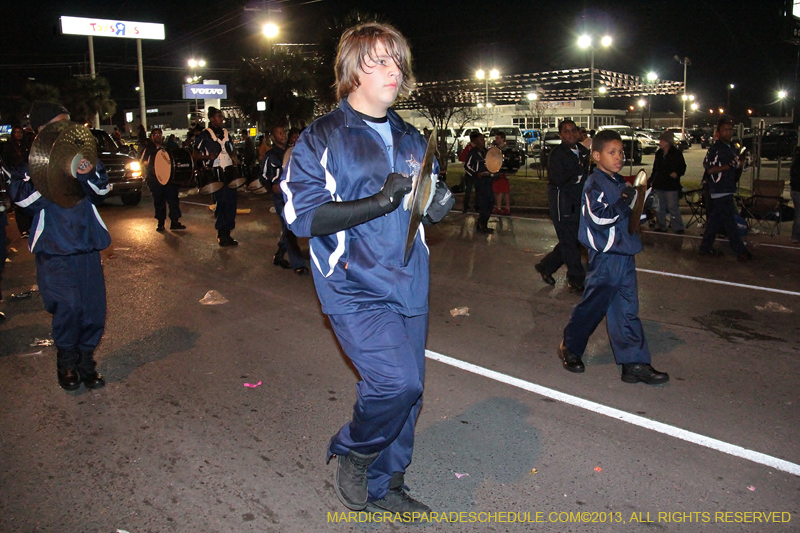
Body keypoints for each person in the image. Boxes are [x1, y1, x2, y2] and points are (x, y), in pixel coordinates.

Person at [282, 22, 453, 518]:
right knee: (395, 383)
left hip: (409, 282)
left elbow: (426, 204)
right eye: (378, 60)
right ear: (351, 70)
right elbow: (302, 217)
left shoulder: (412, 137)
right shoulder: (322, 137)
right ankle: (355, 451)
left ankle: (388, 481)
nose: (392, 70)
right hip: (353, 285)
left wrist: (437, 202)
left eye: (396, 60)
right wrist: (379, 201)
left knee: (411, 393)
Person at [7, 101, 111, 391]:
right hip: (54, 250)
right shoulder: (26, 167)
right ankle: (66, 359)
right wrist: (48, 173)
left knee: (93, 310)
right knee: (68, 305)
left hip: (87, 246)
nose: (65, 131)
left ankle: (85, 360)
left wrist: (87, 173)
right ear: (40, 131)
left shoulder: (83, 157)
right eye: (57, 125)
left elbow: (101, 191)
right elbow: (23, 201)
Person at [557, 129, 669, 385]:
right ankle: (570, 347)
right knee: (593, 308)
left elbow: (628, 220)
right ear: (596, 155)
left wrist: (643, 208)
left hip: (625, 254)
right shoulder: (593, 184)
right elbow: (598, 218)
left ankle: (634, 363)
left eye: (620, 152)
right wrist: (623, 202)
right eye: (612, 152)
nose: (618, 157)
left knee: (627, 310)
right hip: (606, 258)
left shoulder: (619, 183)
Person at [535, 120, 590, 292]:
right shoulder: (557, 154)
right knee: (569, 242)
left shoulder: (582, 151)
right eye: (566, 131)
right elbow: (558, 179)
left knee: (572, 239)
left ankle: (546, 266)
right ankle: (576, 278)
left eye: (573, 130)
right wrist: (577, 170)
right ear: (560, 135)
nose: (571, 134)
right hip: (562, 202)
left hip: (577, 201)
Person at [699, 118, 752, 261]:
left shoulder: (732, 147)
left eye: (730, 130)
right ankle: (741, 251)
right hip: (719, 188)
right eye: (725, 130)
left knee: (715, 221)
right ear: (719, 132)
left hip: (728, 187)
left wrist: (743, 164)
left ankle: (705, 247)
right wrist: (728, 166)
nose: (728, 132)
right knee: (730, 223)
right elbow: (710, 169)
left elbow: (736, 166)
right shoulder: (715, 149)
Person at [260, 125, 307, 274]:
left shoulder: (293, 151)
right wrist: (272, 187)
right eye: (279, 133)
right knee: (289, 229)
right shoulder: (270, 156)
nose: (283, 135)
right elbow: (263, 177)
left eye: (284, 132)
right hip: (280, 197)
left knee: (293, 227)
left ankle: (280, 253)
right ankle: (298, 264)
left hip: (295, 195)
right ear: (273, 138)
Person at [193, 107, 240, 246]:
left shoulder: (226, 133)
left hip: (229, 171)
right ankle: (221, 233)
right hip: (215, 172)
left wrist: (235, 159)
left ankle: (228, 233)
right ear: (212, 118)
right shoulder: (204, 135)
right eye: (219, 116)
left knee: (231, 202)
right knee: (221, 203)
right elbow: (195, 155)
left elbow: (231, 151)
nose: (221, 119)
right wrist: (207, 156)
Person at [139, 128, 185, 232]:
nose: (157, 136)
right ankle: (161, 223)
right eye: (155, 134)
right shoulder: (148, 149)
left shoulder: (167, 148)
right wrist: (148, 169)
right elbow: (142, 162)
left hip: (168, 178)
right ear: (151, 136)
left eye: (159, 134)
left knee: (173, 199)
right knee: (159, 200)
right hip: (155, 179)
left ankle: (174, 221)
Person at [650, 131, 687, 234]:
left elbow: (682, 167)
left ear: (668, 142)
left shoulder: (676, 153)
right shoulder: (659, 154)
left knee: (672, 207)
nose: (660, 142)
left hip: (671, 185)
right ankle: (661, 225)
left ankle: (678, 227)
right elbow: (655, 169)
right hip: (659, 184)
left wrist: (676, 173)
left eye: (662, 140)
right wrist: (651, 180)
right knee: (658, 207)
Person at [2, 125, 33, 237]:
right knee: (19, 203)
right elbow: (6, 161)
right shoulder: (9, 146)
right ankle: (23, 229)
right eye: (16, 132)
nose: (18, 134)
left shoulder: (27, 145)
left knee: (30, 198)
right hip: (16, 177)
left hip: (27, 175)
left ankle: (30, 225)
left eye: (20, 132)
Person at [465, 132, 494, 233]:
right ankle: (481, 224)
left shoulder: (486, 152)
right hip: (480, 180)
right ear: (476, 141)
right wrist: (476, 173)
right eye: (481, 139)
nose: (483, 141)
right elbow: (467, 166)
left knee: (490, 201)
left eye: (483, 139)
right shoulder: (473, 153)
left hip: (488, 179)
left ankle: (484, 222)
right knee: (484, 202)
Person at [491, 131, 511, 215]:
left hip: (503, 172)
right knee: (497, 190)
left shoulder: (507, 149)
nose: (496, 140)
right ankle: (498, 207)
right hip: (497, 171)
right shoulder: (496, 149)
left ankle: (507, 207)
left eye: (498, 138)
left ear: (502, 139)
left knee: (505, 190)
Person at [459, 132, 479, 213]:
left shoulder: (478, 149)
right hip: (470, 173)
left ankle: (476, 205)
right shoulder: (469, 148)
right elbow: (462, 158)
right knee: (468, 190)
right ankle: (466, 206)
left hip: (476, 172)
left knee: (478, 190)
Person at [791, 148, 800, 244]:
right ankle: (796, 236)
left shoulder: (796, 160)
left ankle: (796, 236)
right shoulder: (797, 160)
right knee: (799, 214)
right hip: (798, 190)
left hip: (796, 189)